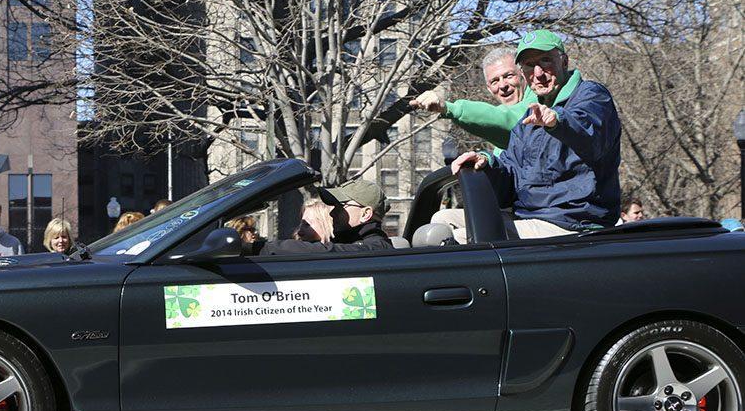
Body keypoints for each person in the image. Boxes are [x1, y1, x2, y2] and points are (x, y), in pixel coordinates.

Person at [434, 29, 621, 241]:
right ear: (523, 73)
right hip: (530, 216)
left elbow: (587, 131)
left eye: (545, 61)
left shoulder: (591, 96)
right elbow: (510, 175)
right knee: (441, 222)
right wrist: (486, 164)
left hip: (573, 222)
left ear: (564, 62)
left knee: (460, 239)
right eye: (530, 66)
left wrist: (557, 121)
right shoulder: (529, 117)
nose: (538, 73)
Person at [410, 46, 535, 152]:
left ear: (523, 75)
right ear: (489, 89)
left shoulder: (539, 99)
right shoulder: (500, 131)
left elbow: (513, 121)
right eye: (495, 81)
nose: (502, 86)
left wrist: (449, 108)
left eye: (508, 76)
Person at [246, 179, 392, 255]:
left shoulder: (376, 248)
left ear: (365, 214)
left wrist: (259, 248)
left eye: (340, 206)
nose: (332, 212)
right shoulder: (350, 242)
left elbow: (327, 252)